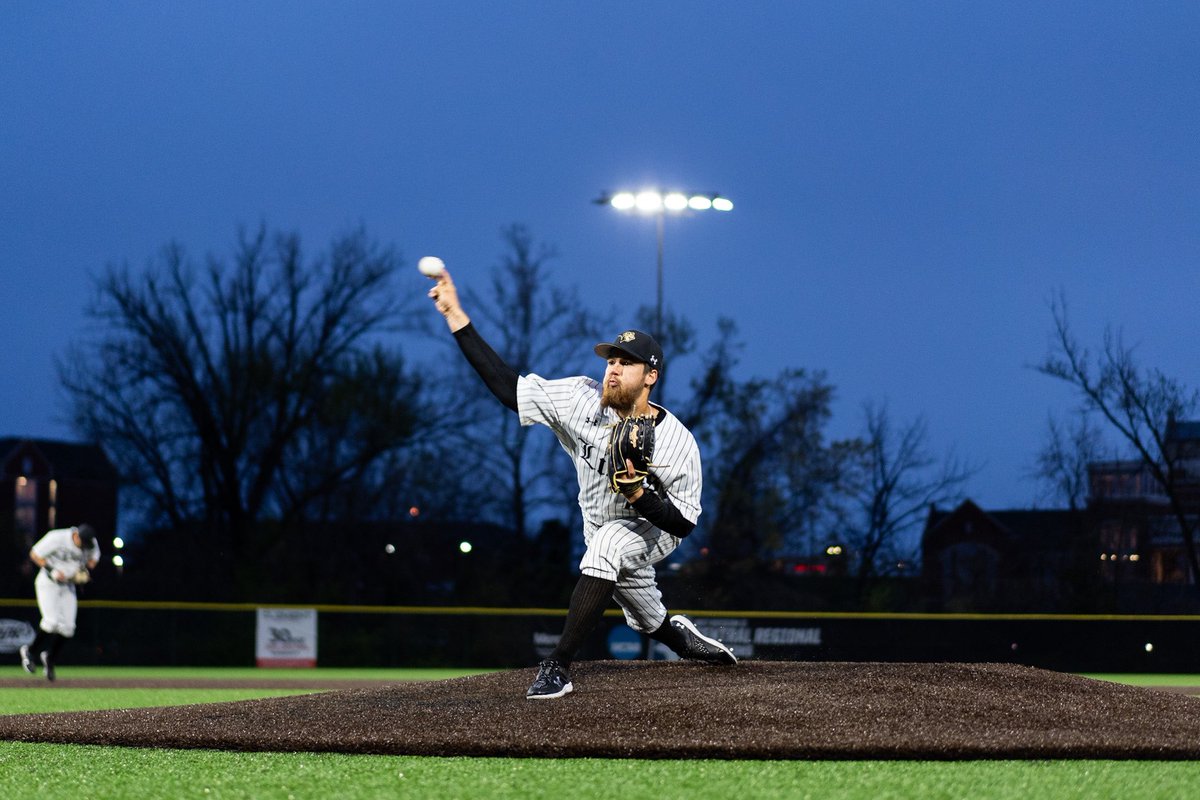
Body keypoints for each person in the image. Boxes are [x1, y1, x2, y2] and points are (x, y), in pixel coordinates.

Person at [427, 268, 736, 699]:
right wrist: (455, 316)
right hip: (598, 526)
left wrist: (638, 493)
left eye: (626, 363)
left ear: (651, 376)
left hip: (655, 528)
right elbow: (507, 388)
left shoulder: (676, 441)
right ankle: (680, 637)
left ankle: (557, 666)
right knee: (647, 616)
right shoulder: (579, 399)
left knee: (609, 545)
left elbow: (684, 522)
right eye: (610, 361)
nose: (613, 370)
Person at [19, 524, 100, 681]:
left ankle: (49, 657)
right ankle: (30, 651)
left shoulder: (91, 542)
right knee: (51, 622)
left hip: (68, 586)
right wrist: (52, 570)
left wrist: (83, 572)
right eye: (83, 542)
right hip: (48, 583)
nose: (85, 546)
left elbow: (92, 561)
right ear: (76, 536)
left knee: (68, 628)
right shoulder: (57, 537)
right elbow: (34, 554)